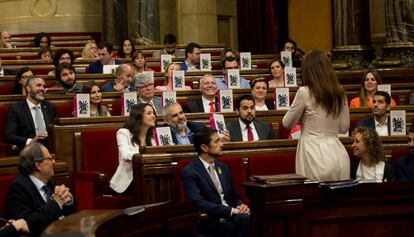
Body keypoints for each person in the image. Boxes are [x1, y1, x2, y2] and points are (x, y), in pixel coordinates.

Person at [282, 49, 350, 181]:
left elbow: (287, 123)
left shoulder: (304, 91)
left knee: (314, 197)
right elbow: (344, 127)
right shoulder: (340, 92)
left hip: (313, 152)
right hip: (338, 152)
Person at [181, 127, 250, 237]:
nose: (222, 144)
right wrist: (230, 211)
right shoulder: (190, 172)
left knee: (246, 218)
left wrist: (241, 205)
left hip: (232, 216)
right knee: (234, 226)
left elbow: (234, 195)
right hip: (211, 219)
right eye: (217, 141)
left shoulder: (223, 167)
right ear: (204, 147)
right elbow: (198, 203)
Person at [5, 143, 75, 237]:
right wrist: (57, 203)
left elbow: (64, 211)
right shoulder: (18, 188)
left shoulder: (50, 181)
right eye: (50, 158)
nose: (53, 161)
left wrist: (67, 199)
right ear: (38, 165)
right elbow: (27, 222)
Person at [110, 103, 156, 193]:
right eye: (149, 113)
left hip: (148, 177)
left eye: (153, 113)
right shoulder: (123, 133)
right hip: (128, 182)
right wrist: (144, 157)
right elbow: (125, 155)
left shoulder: (153, 137)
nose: (153, 116)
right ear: (138, 116)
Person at [4, 76, 57, 151]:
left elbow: (56, 130)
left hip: (50, 148)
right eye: (38, 85)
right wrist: (30, 141)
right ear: (28, 88)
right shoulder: (17, 109)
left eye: (43, 86)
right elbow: (8, 136)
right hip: (29, 150)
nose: (42, 89)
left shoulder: (50, 107)